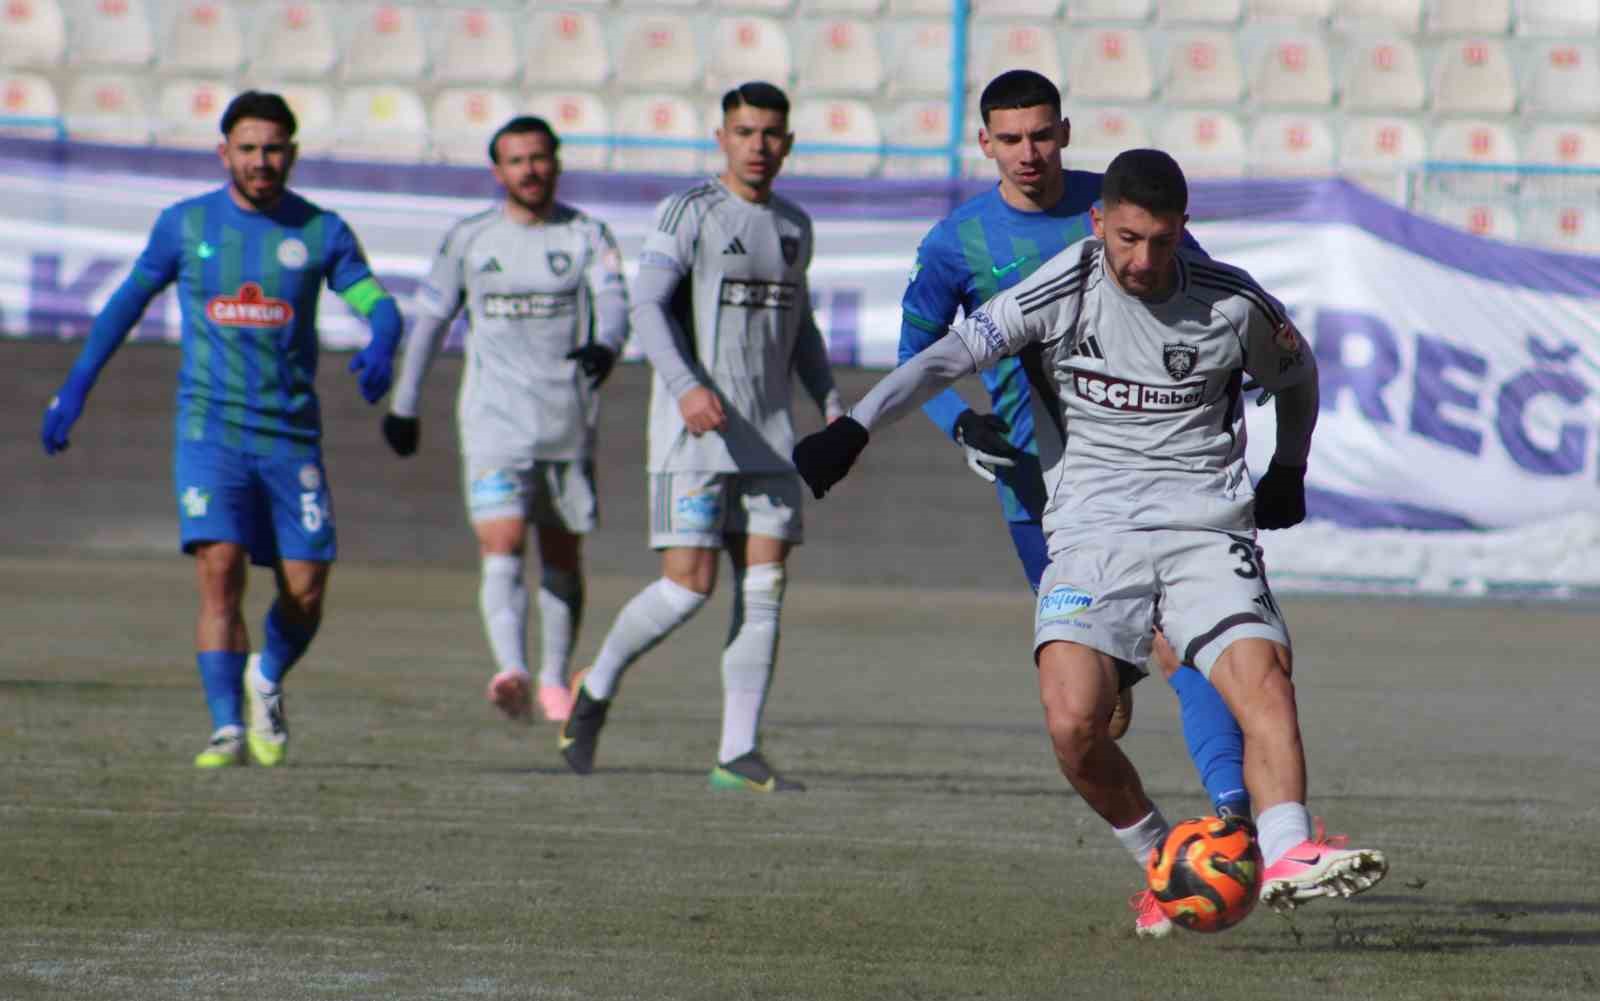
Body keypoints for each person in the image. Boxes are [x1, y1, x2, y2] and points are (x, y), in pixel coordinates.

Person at [794, 149, 1388, 934]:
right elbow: (945, 356)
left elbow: (1298, 374)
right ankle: (1162, 858)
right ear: (1099, 222)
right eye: (1128, 239)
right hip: (1091, 532)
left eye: (1162, 241)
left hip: (1203, 529)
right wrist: (856, 427)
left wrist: (1288, 468)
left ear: (1183, 229)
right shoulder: (1061, 287)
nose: (1143, 260)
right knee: (1075, 722)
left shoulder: (1232, 301)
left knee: (1264, 678)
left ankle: (1287, 849)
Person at [899, 70, 1249, 826]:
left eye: (1041, 135)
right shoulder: (957, 242)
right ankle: (1158, 836)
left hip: (1153, 474)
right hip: (1041, 490)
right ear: (985, 143)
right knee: (1092, 704)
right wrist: (959, 422)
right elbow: (915, 355)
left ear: (1064, 131)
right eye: (1011, 139)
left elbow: (1204, 297)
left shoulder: (1119, 209)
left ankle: (1232, 816)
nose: (1028, 153)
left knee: (1180, 642)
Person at [39, 91, 403, 768]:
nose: (261, 161)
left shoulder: (321, 231)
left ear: (292, 154)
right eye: (248, 149)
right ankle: (226, 727)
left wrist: (383, 339)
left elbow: (375, 300)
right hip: (210, 432)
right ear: (223, 153)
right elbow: (125, 304)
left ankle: (266, 676)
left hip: (291, 438)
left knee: (306, 589)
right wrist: (76, 386)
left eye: (273, 149)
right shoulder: (185, 225)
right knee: (220, 566)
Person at [558, 81, 842, 792]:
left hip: (771, 437)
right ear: (721, 138)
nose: (758, 145)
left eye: (770, 133)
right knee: (688, 587)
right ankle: (598, 683)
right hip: (695, 436)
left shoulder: (795, 225)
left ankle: (737, 753)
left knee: (766, 587)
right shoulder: (688, 211)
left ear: (788, 143)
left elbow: (801, 327)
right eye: (744, 132)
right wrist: (687, 387)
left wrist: (832, 402)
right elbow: (648, 307)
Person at [383, 116, 629, 725]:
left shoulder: (586, 234)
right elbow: (430, 323)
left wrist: (607, 345)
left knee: (562, 553)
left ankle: (552, 678)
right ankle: (512, 669)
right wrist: (404, 404)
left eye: (539, 158)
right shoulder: (470, 238)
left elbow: (615, 303)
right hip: (493, 421)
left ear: (557, 163)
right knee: (502, 541)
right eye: (517, 161)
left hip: (566, 421)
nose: (530, 170)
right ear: (497, 171)